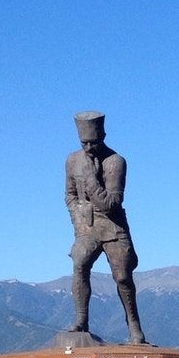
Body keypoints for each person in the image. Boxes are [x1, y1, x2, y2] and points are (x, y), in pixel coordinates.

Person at [65, 111, 147, 344]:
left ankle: (134, 327)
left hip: (113, 226)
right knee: (80, 263)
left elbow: (111, 204)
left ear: (103, 136)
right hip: (86, 226)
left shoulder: (115, 162)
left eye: (93, 142)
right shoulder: (72, 161)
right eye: (84, 143)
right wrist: (78, 219)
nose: (89, 147)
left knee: (122, 277)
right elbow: (69, 195)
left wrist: (91, 179)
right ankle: (81, 320)